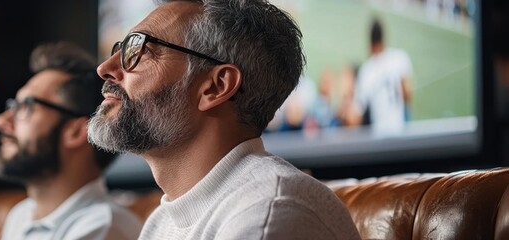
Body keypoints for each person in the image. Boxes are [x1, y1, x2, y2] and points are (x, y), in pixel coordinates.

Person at [90, 0, 360, 239]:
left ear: (216, 87)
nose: (105, 68)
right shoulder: (162, 222)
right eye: (121, 48)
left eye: (139, 49)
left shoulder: (269, 211)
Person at [0, 42, 142, 240]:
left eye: (26, 106)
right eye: (13, 105)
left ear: (77, 131)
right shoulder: (20, 215)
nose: (2, 121)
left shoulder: (103, 226)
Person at [350, 18, 414, 136]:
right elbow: (408, 96)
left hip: (380, 136)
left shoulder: (367, 70)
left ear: (370, 41)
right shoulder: (400, 58)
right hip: (401, 131)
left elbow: (356, 116)